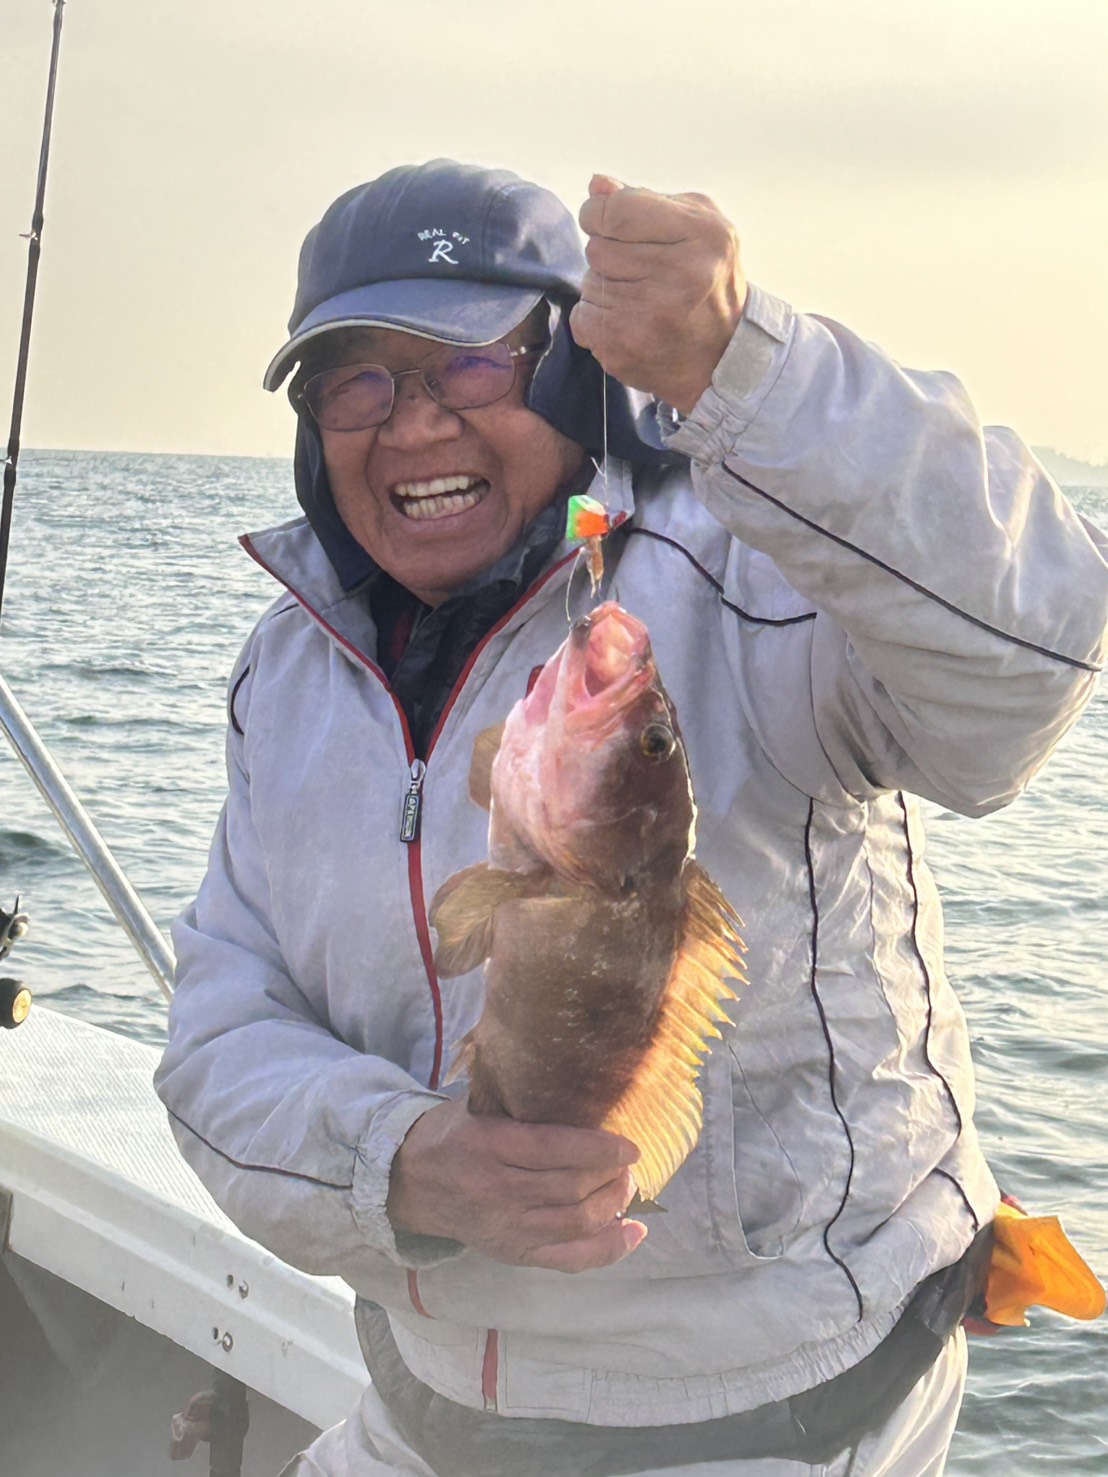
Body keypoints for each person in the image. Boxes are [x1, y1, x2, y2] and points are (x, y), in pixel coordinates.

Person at [154, 159, 1108, 1476]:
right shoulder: (289, 669)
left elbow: (1037, 656)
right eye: (356, 385)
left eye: (468, 366)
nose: (414, 427)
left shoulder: (759, 575)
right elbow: (220, 1029)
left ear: (569, 373)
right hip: (421, 1406)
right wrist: (400, 1163)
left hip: (774, 1421)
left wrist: (753, 370)